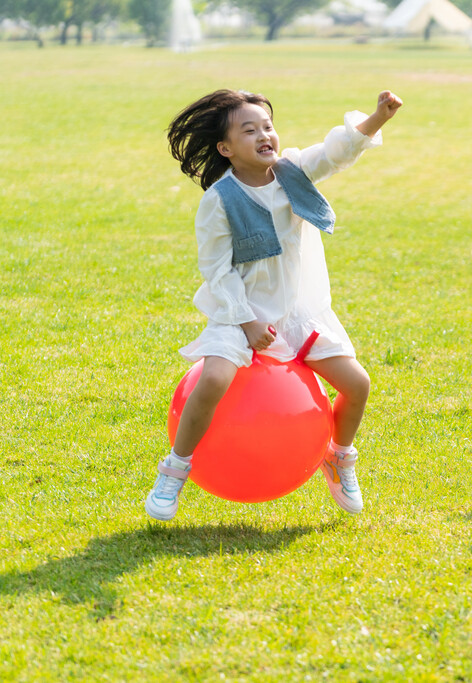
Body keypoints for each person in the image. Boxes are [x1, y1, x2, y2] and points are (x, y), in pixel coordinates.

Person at [146, 89, 402, 520]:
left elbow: (336, 152)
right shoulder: (219, 201)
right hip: (241, 313)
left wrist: (377, 118)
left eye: (267, 126)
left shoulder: (293, 172)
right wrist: (246, 323)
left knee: (357, 384)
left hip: (298, 314)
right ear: (226, 149)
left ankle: (338, 457)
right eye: (250, 130)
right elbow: (217, 270)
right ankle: (175, 469)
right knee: (212, 381)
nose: (265, 135)